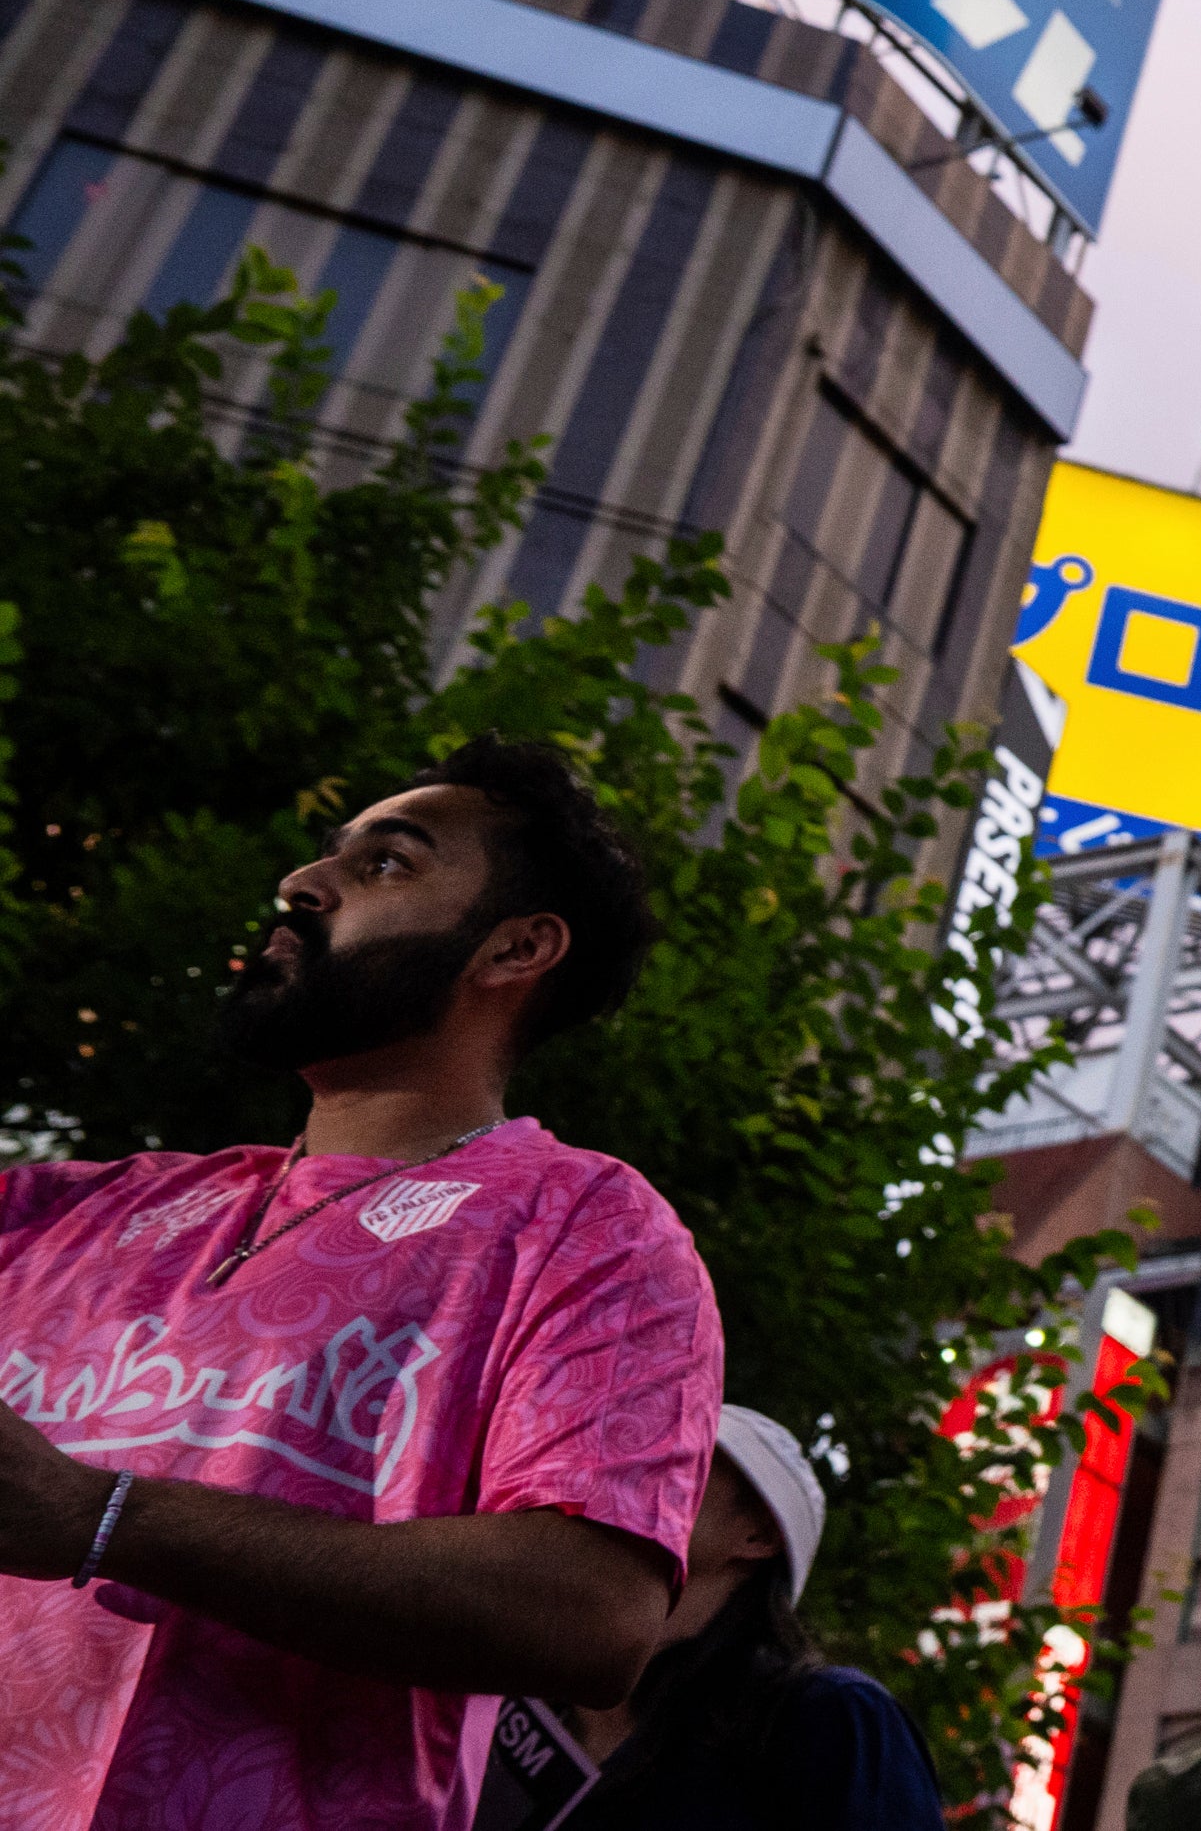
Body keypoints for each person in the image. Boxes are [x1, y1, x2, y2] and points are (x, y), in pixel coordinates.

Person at [0, 736, 724, 1828]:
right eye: (327, 855)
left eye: (386, 862)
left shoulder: (593, 1231)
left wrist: (102, 1518)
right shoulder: (70, 1211)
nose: (301, 884)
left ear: (515, 948)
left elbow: (589, 1613)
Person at [565, 1403, 944, 1829]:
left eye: (683, 1461)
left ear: (759, 1534)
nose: (638, 1466)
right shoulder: (532, 1686)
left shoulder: (830, 1720)